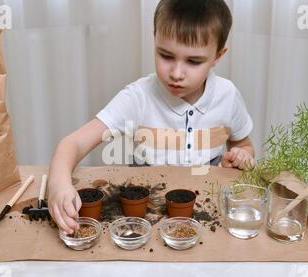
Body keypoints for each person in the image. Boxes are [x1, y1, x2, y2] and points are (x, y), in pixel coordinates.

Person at [48, 0, 255, 234]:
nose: (176, 74)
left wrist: (240, 157)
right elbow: (72, 143)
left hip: (207, 216)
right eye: (166, 56)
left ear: (218, 55)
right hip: (144, 217)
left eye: (193, 61)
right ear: (154, 39)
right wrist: (59, 185)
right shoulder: (138, 97)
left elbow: (244, 145)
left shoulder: (227, 96)